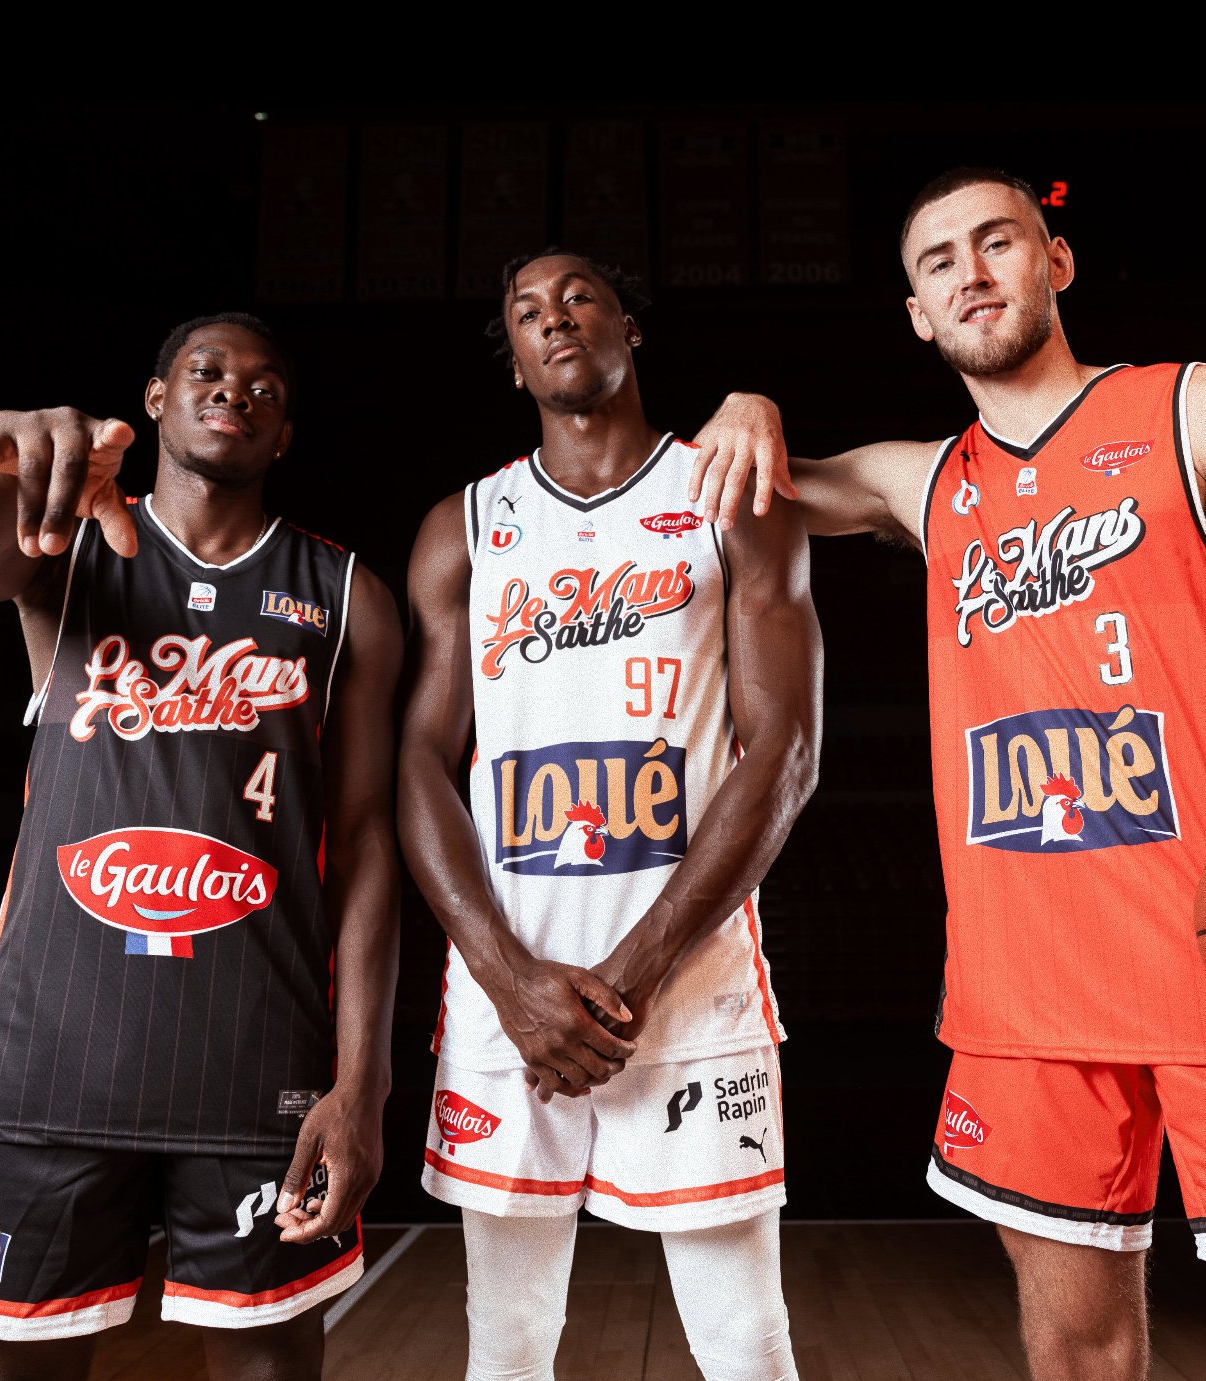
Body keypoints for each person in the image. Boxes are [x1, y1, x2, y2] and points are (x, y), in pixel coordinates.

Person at [688, 168, 1206, 1381]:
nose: (970, 272)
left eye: (997, 242)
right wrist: (748, 400)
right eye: (938, 262)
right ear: (917, 315)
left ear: (1056, 262)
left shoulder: (1204, 409)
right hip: (1027, 1000)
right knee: (1075, 1356)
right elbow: (750, 482)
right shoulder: (921, 482)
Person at [0, 314, 403, 1381]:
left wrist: (362, 1085)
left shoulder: (346, 595)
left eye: (266, 385)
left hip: (258, 1064)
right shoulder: (70, 542)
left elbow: (368, 843)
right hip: (49, 1055)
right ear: (154, 399)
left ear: (285, 434)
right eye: (207, 371)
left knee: (270, 1368)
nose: (235, 390)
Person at [397, 251, 823, 1381]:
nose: (555, 318)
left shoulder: (729, 496)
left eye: (579, 296)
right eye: (527, 311)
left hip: (688, 985)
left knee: (743, 1340)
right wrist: (505, 979)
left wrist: (628, 976)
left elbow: (786, 753)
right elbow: (420, 765)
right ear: (514, 359)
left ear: (629, 324)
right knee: (507, 1340)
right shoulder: (464, 525)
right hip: (509, 997)